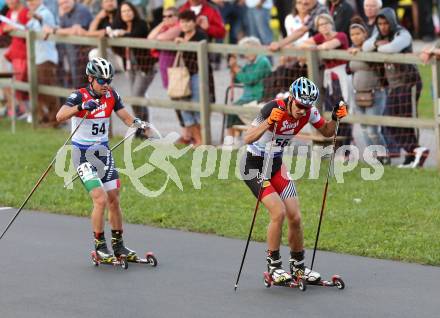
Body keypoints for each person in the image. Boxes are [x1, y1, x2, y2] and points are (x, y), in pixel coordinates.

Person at [241, 76, 348, 284]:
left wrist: (335, 117)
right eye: (299, 105)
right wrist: (269, 122)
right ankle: (274, 267)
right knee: (278, 212)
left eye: (307, 106)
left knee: (295, 216)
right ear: (291, 98)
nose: (302, 110)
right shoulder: (272, 108)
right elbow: (247, 138)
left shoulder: (308, 112)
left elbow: (327, 131)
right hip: (253, 165)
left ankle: (298, 267)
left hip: (276, 164)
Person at [55, 57, 148, 261]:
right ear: (90, 78)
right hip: (82, 154)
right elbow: (59, 116)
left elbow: (125, 117)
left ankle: (119, 246)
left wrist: (139, 123)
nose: (106, 85)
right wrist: (81, 107)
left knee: (114, 198)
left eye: (109, 80)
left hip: (103, 153)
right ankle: (99, 245)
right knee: (100, 198)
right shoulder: (79, 95)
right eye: (101, 80)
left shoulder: (111, 95)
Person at [363, 7, 429, 168]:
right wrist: (378, 43)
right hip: (394, 85)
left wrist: (378, 46)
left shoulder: (403, 33)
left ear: (392, 22)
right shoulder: (378, 35)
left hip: (409, 82)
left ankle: (413, 154)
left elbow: (392, 48)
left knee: (407, 120)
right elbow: (366, 46)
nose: (383, 26)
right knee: (389, 120)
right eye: (380, 24)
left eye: (386, 23)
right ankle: (415, 150)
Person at [299, 13, 353, 155]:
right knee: (330, 114)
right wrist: (314, 46)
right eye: (321, 25)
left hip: (342, 78)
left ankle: (345, 149)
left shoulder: (341, 35)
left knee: (343, 113)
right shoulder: (319, 38)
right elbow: (303, 44)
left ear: (331, 23)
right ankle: (334, 148)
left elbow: (330, 45)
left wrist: (316, 47)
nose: (324, 27)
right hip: (329, 80)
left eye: (326, 23)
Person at [111, 1, 157, 139]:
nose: (127, 13)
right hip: (131, 68)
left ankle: (143, 128)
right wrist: (116, 33)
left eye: (129, 10)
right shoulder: (120, 25)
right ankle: (142, 128)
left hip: (145, 67)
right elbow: (113, 41)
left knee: (136, 96)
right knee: (137, 98)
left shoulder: (141, 24)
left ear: (134, 11)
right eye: (124, 11)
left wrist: (120, 34)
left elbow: (133, 36)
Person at [348, 18, 387, 161]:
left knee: (372, 129)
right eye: (352, 34)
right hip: (357, 94)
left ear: (365, 34)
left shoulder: (371, 48)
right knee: (363, 128)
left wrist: (362, 50)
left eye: (358, 33)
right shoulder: (351, 50)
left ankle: (383, 155)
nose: (355, 37)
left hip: (374, 92)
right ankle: (374, 156)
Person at [175, 9, 215, 146]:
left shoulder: (201, 35)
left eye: (188, 22)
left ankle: (202, 140)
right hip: (184, 76)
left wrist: (184, 44)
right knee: (185, 107)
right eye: (182, 22)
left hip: (199, 75)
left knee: (199, 108)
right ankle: (198, 139)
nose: (185, 25)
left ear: (194, 22)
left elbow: (201, 50)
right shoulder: (180, 34)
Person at [226, 36, 272, 146]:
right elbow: (238, 79)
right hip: (247, 97)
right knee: (231, 109)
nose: (245, 54)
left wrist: (237, 70)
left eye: (247, 50)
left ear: (256, 48)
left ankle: (231, 140)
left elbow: (250, 79)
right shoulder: (249, 63)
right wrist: (233, 68)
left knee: (232, 109)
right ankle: (233, 139)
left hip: (258, 96)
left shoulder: (262, 61)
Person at [26, 0, 59, 127]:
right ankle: (44, 118)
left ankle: (55, 119)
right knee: (39, 90)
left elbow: (46, 25)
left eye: (33, 0)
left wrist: (37, 17)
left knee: (48, 90)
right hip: (36, 57)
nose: (30, 3)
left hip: (45, 57)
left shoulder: (45, 13)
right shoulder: (35, 14)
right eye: (28, 1)